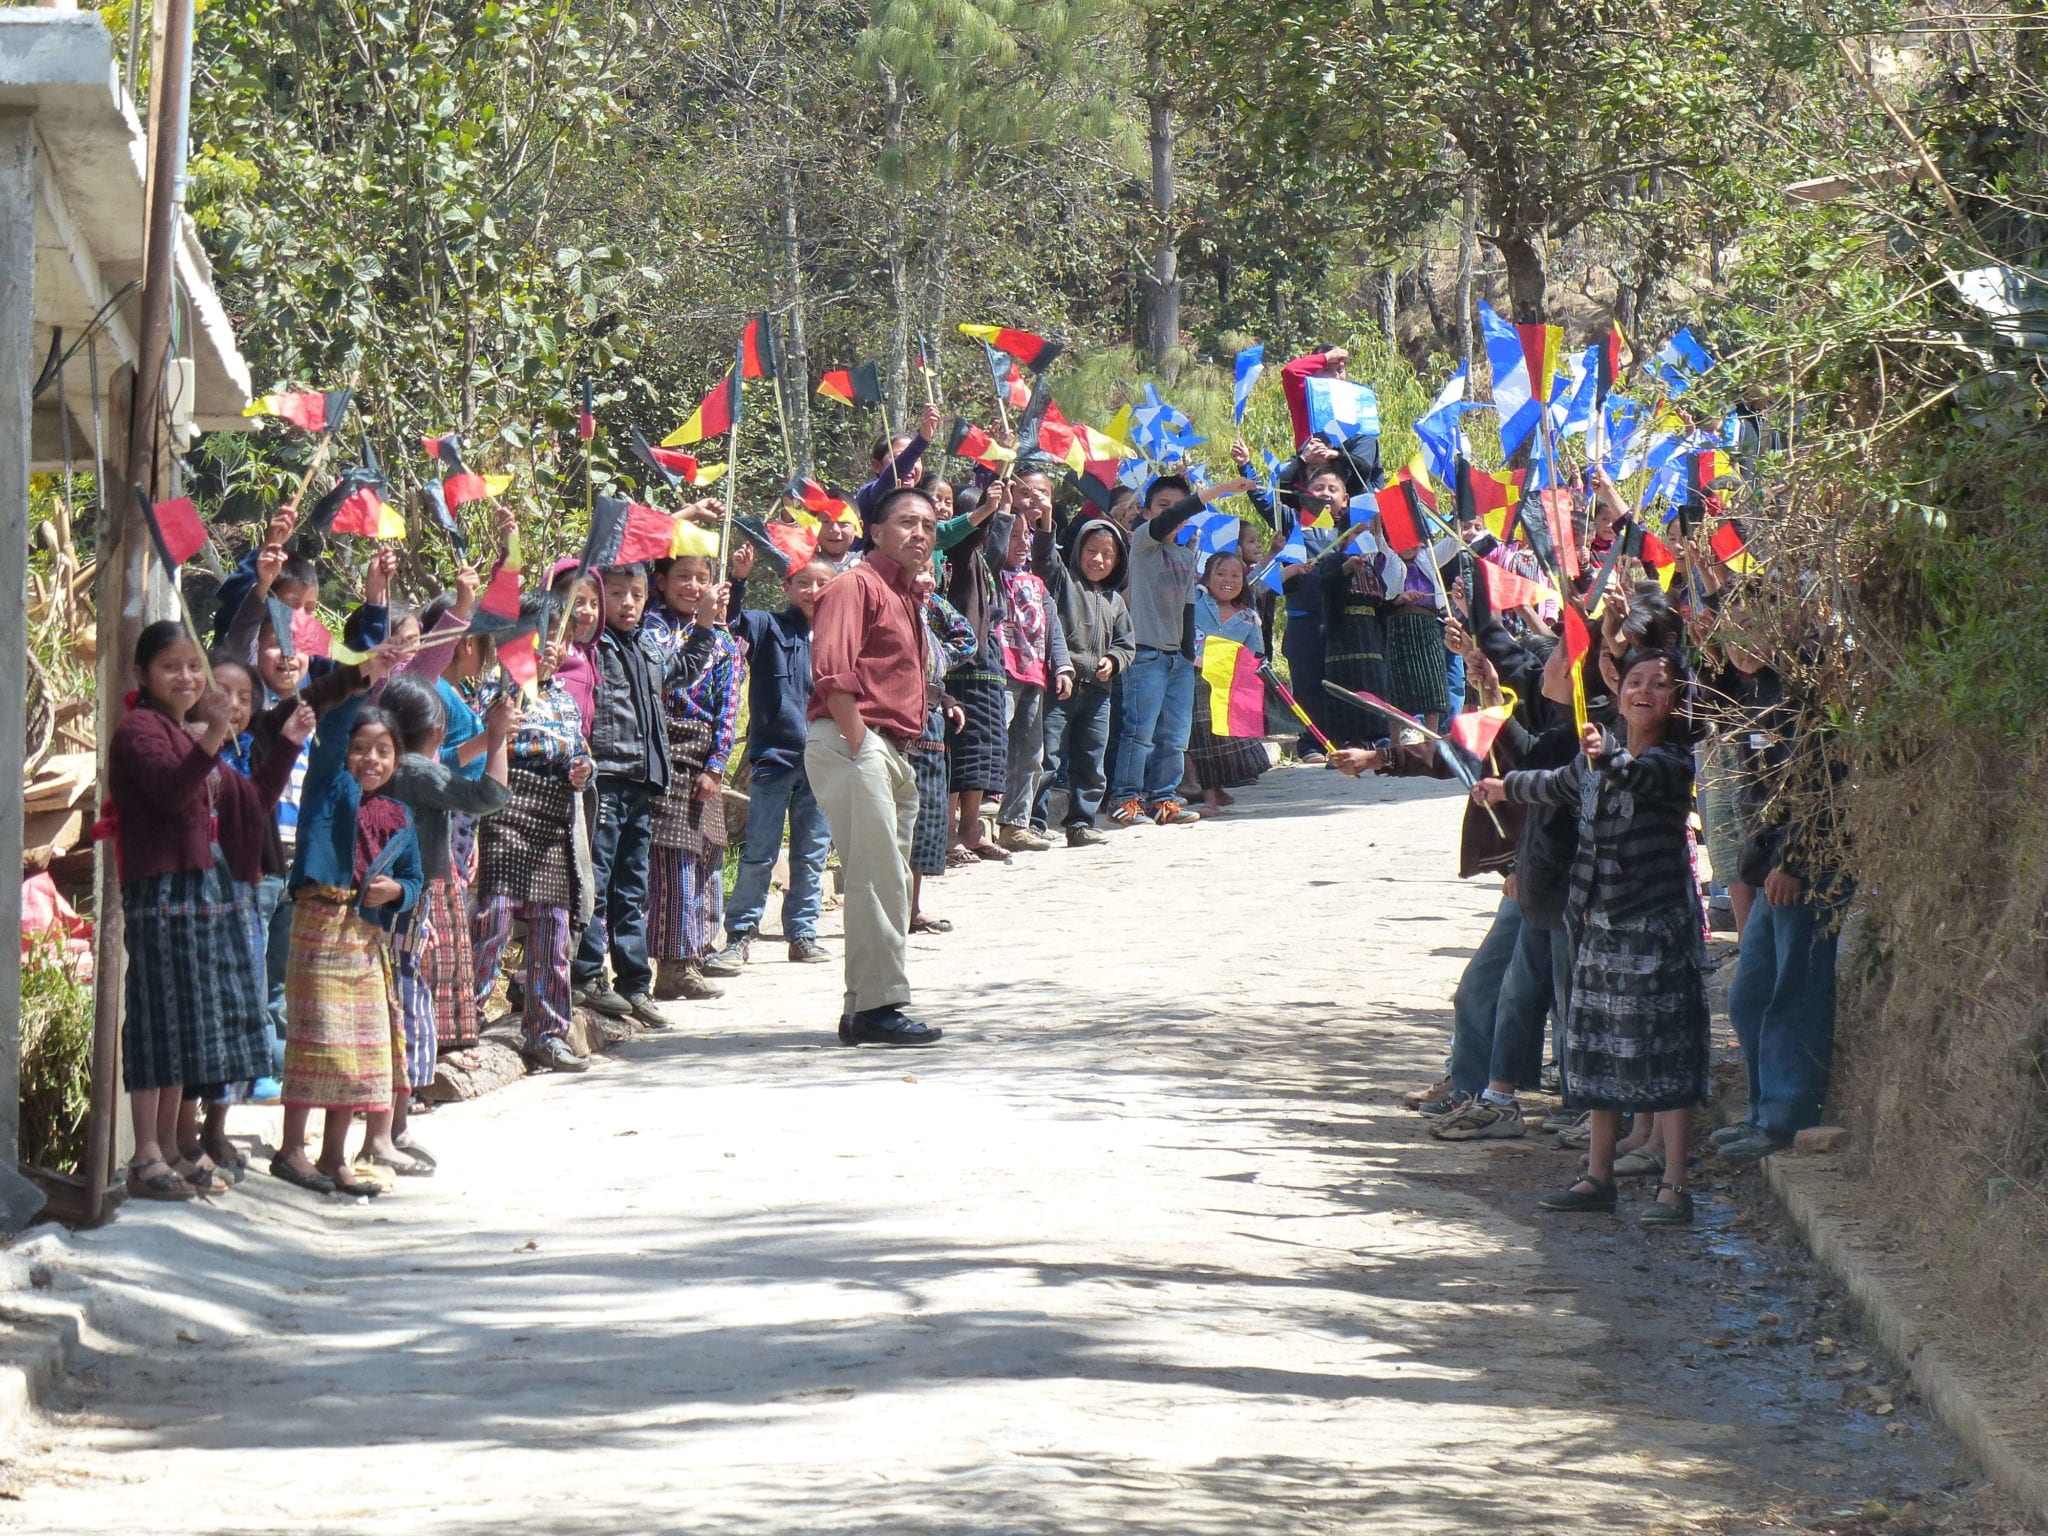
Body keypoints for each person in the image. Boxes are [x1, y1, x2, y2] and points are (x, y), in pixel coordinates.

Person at [1476, 648, 1707, 1226]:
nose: (1644, 690)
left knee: (1667, 1054)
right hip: (1596, 925)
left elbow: (1633, 774)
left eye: (1660, 684)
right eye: (1635, 680)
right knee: (1596, 1050)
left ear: (1676, 701)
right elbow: (1554, 783)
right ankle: (1596, 1176)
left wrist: (1605, 758)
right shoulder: (1595, 752)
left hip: (1657, 928)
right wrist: (1503, 789)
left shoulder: (1674, 761)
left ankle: (1675, 1187)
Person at [109, 623, 303, 1200]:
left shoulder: (184, 731)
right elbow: (171, 792)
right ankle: (145, 1155)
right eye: (172, 667)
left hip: (195, 894)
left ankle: (171, 1145)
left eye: (193, 666)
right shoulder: (141, 730)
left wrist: (289, 738)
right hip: (159, 893)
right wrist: (212, 734)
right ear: (143, 675)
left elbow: (252, 801)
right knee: (155, 1023)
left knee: (184, 1026)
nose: (188, 677)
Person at [805, 485, 944, 1047]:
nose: (920, 534)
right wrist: (860, 740)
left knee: (880, 878)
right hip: (855, 739)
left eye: (930, 527)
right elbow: (832, 669)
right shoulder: (854, 585)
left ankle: (863, 1005)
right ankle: (881, 1005)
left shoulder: (906, 596)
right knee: (878, 877)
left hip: (890, 750)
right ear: (877, 532)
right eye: (907, 523)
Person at [276, 682, 424, 1199]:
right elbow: (335, 725)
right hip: (320, 925)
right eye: (360, 748)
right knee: (318, 1042)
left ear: (398, 759)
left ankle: (334, 1155)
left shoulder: (400, 816)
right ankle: (291, 1149)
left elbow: (414, 879)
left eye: (383, 751)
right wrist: (368, 672)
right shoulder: (330, 789)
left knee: (358, 1051)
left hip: (365, 938)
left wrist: (396, 891)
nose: (370, 759)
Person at [377, 673, 512, 1173]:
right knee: (411, 992)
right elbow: (487, 796)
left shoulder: (400, 765)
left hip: (390, 891)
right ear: (433, 729)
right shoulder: (414, 771)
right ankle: (405, 1094)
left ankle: (399, 1099)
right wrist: (497, 739)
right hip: (414, 892)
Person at [1718, 649, 1848, 1163]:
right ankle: (1759, 1109)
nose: (1736, 641)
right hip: (1770, 864)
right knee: (1748, 997)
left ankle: (1784, 1117)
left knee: (1794, 995)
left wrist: (1795, 860)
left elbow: (1824, 786)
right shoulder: (1752, 692)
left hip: (1810, 867)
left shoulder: (1809, 694)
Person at [574, 562, 715, 1025]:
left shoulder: (649, 647)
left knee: (633, 887)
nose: (628, 603)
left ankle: (635, 984)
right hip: (606, 776)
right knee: (595, 880)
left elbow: (686, 669)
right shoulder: (590, 649)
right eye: (616, 594)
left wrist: (706, 625)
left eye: (635, 594)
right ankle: (588, 976)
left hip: (644, 780)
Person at [472, 595, 598, 1073]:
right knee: (495, 919)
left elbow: (579, 752)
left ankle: (547, 1031)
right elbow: (487, 741)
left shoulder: (565, 700)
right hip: (506, 810)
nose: (548, 648)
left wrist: (584, 769)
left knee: (551, 927)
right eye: (537, 638)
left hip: (553, 818)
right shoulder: (493, 691)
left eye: (555, 637)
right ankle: (466, 1019)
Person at [711, 556, 838, 969]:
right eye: (803, 582)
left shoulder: (842, 636)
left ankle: (801, 933)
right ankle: (740, 935)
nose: (812, 590)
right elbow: (731, 620)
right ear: (786, 588)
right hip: (774, 758)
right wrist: (738, 579)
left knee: (811, 853)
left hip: (824, 760)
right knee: (760, 852)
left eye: (822, 583)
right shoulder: (769, 626)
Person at [1108, 471, 1252, 827]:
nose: (1171, 513)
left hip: (1177, 660)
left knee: (1174, 737)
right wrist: (1221, 489)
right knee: (1139, 732)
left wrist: (1188, 657)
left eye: (1177, 508)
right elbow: (1171, 519)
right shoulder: (1143, 541)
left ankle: (1164, 799)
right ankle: (1125, 799)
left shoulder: (1186, 556)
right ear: (1146, 512)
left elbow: (1188, 609)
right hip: (1144, 654)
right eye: (1162, 506)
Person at [643, 554, 740, 1002]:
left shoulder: (724, 644)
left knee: (706, 856)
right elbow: (663, 678)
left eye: (703, 579)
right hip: (661, 746)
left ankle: (698, 950)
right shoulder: (650, 629)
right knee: (672, 861)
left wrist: (716, 766)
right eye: (683, 577)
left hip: (701, 756)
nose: (693, 586)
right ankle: (672, 963)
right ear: (659, 582)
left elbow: (728, 710)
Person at [1031, 508, 1132, 846]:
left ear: (1118, 561)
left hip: (1098, 694)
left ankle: (1080, 823)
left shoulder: (1116, 601)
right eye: (1091, 551)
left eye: (1107, 554)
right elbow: (1044, 558)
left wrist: (1114, 661)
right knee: (1049, 756)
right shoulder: (1063, 582)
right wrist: (1046, 521)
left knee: (1091, 758)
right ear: (1077, 551)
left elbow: (1126, 645)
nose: (1098, 559)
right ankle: (1034, 821)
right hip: (1061, 686)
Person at [992, 472, 1074, 852]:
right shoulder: (991, 574)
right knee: (997, 743)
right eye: (1013, 536)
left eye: (1026, 537)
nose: (1022, 544)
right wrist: (1006, 506)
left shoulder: (1036, 580)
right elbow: (993, 542)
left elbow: (1052, 626)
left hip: (1034, 673)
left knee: (1031, 751)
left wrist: (1062, 665)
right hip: (1003, 670)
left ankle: (1015, 823)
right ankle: (980, 822)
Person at [1184, 550, 1272, 815]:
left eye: (1236, 575)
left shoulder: (1248, 618)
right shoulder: (1195, 603)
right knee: (1203, 739)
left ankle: (1219, 789)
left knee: (1225, 737)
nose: (1228, 580)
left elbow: (1256, 655)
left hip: (1230, 686)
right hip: (1197, 681)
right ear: (1206, 578)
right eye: (1220, 573)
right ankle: (1209, 798)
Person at [912, 557, 973, 931]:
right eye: (917, 571)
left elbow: (966, 635)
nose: (925, 580)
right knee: (899, 819)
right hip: (897, 722)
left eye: (930, 573)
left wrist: (943, 689)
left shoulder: (929, 611)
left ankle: (914, 906)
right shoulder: (883, 604)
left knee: (927, 818)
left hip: (932, 720)